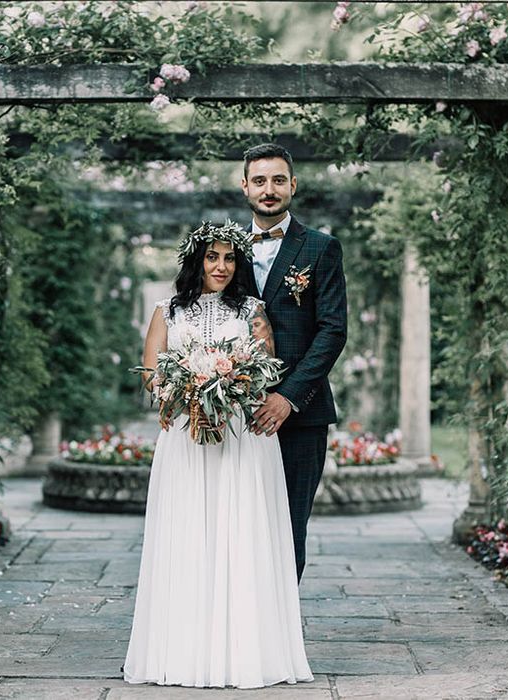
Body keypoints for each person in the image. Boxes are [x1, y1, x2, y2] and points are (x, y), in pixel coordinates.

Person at [122, 225, 313, 689]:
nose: (221, 266)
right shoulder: (166, 311)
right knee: (187, 536)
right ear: (196, 261)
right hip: (185, 438)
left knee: (241, 535)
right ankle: (184, 652)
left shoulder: (253, 311)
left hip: (241, 439)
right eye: (212, 257)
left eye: (229, 258)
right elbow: (152, 373)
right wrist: (184, 392)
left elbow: (265, 370)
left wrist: (229, 390)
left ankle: (244, 653)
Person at [239, 143, 347, 582]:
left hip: (300, 417)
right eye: (260, 180)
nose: (269, 189)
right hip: (234, 415)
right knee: (235, 527)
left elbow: (332, 330)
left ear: (293, 185)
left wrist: (288, 397)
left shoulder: (321, 248)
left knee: (288, 528)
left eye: (278, 180)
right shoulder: (223, 250)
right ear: (245, 186)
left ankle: (280, 639)